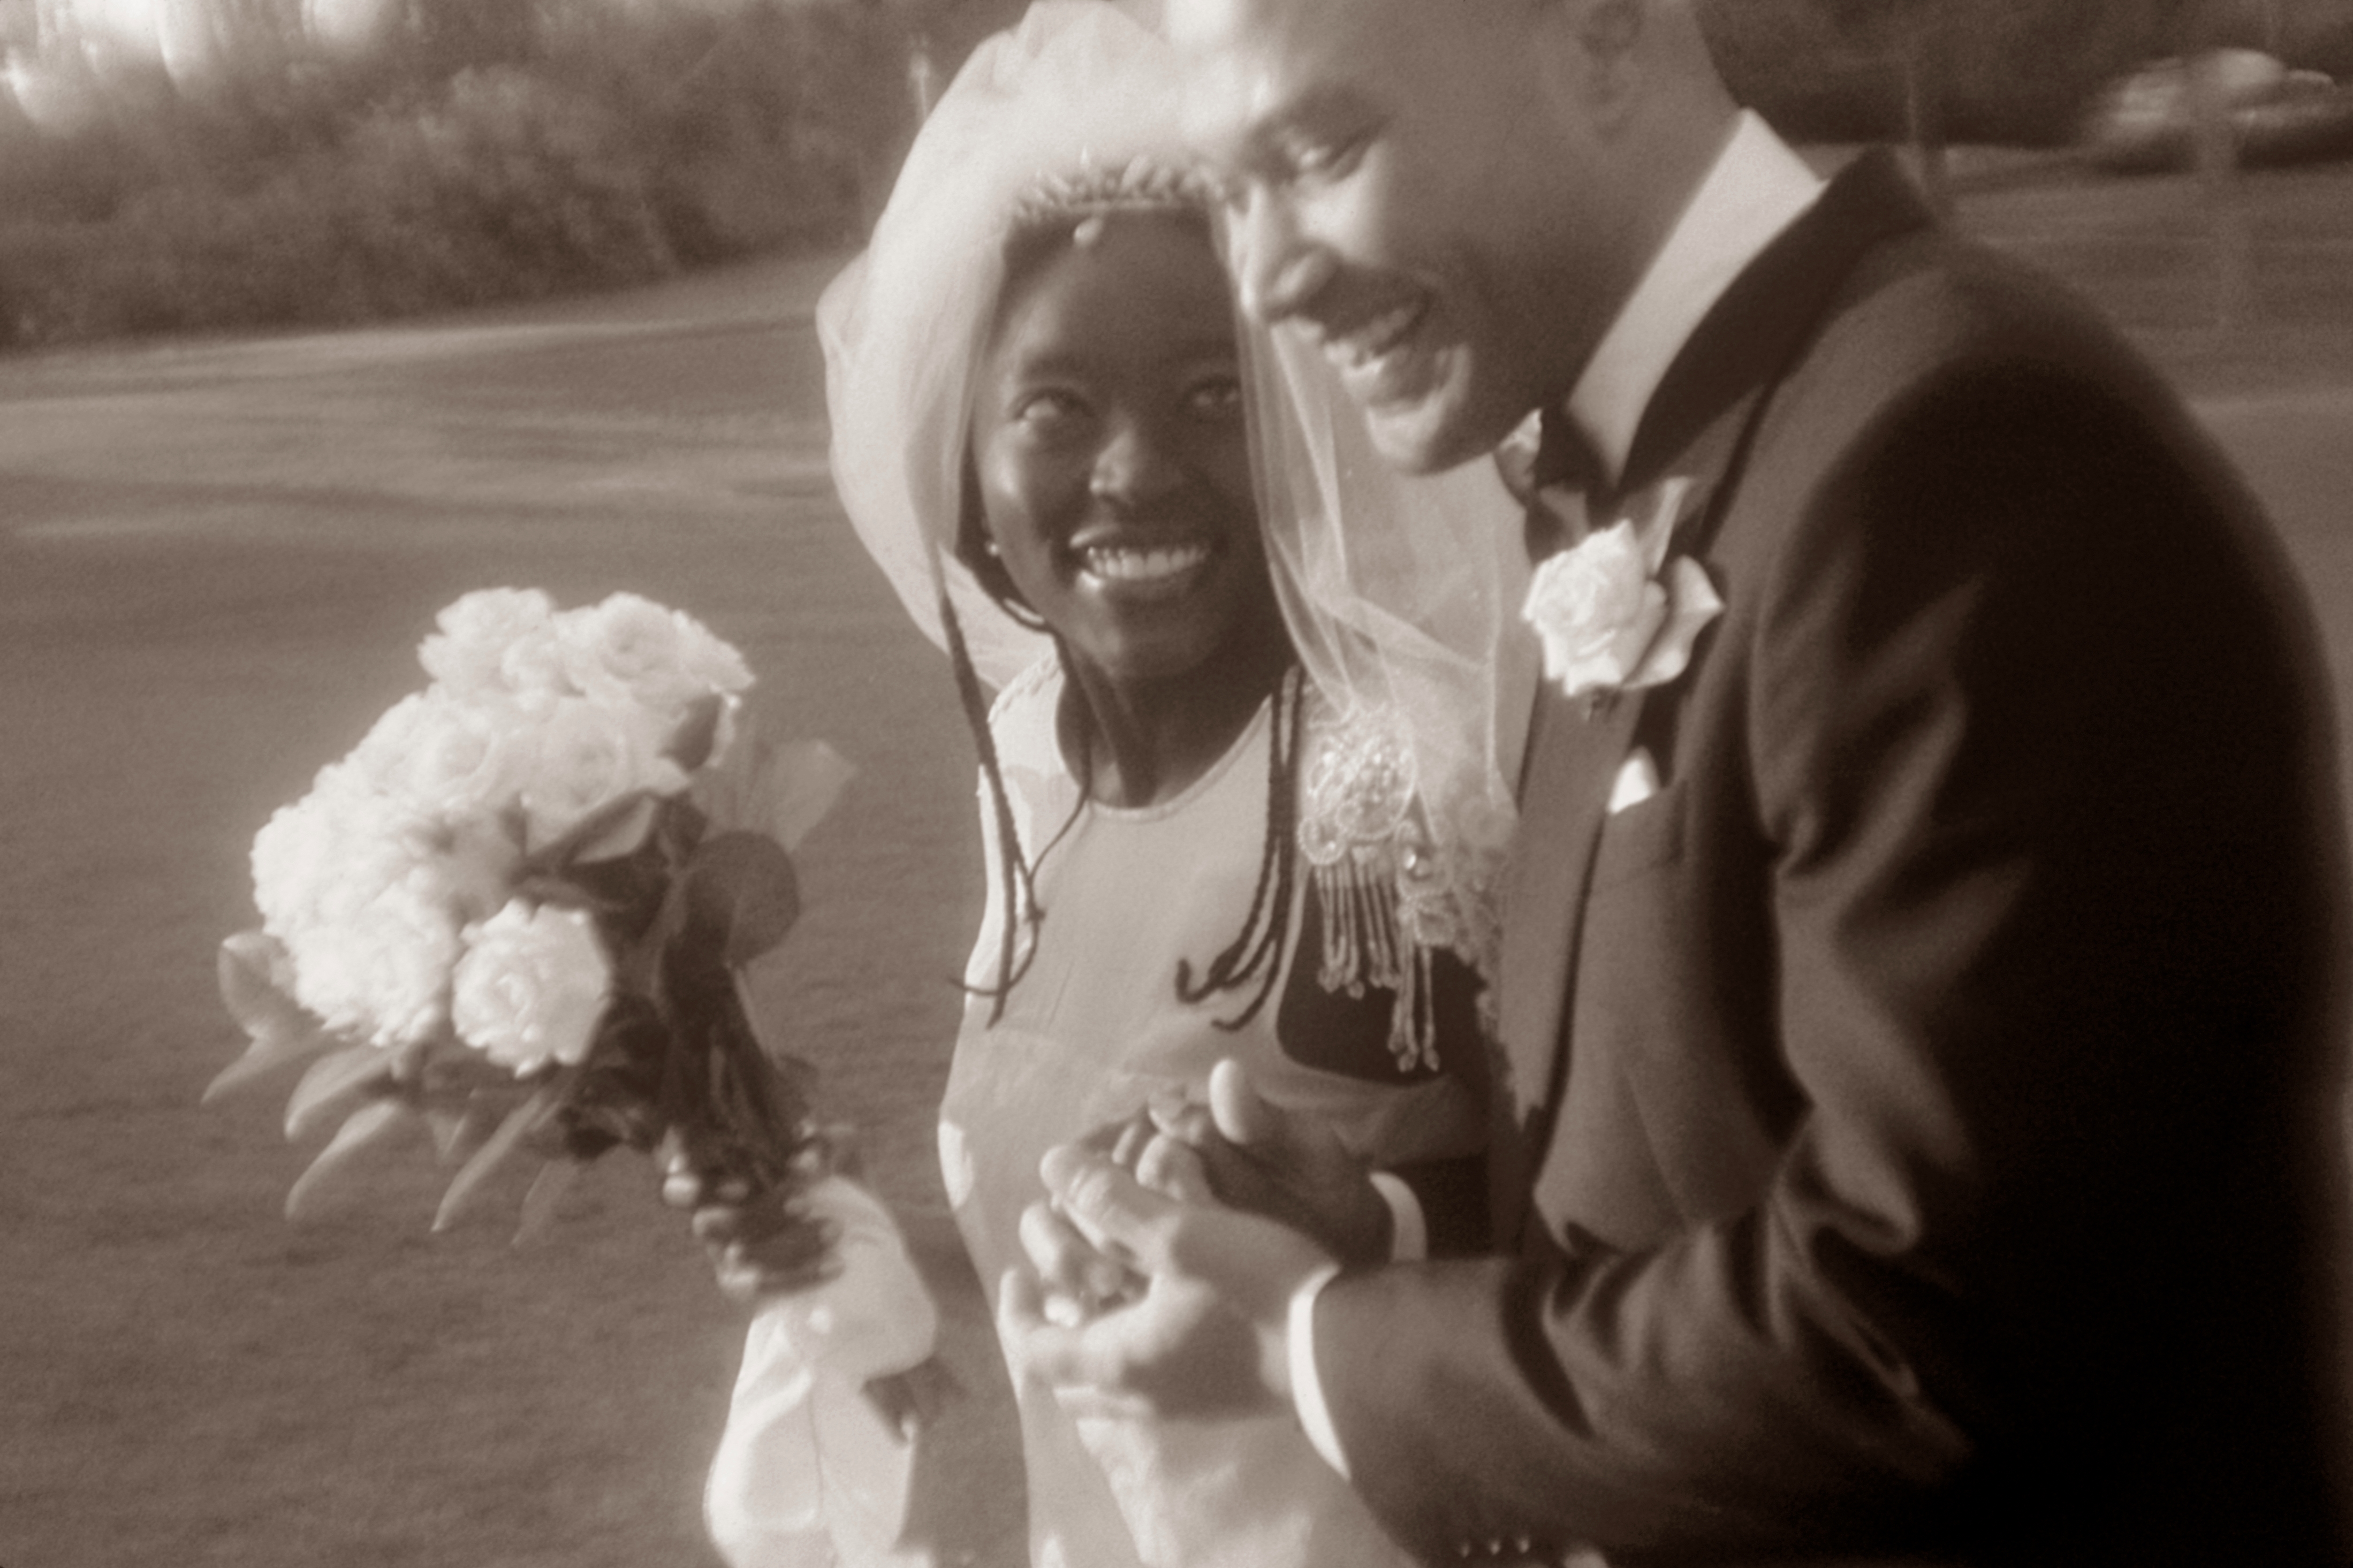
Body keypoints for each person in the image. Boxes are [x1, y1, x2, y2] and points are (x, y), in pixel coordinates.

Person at [1007, 1, 2353, 1564]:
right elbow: (1722, 1166)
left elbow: (1918, 1337)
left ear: (1600, 37)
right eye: (1227, 187)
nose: (1263, 276)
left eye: (1315, 153)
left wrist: (1306, 1342)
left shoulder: (1954, 459)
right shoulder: (1678, 466)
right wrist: (1377, 1240)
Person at [702, 5, 1525, 1565]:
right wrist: (826, 1236)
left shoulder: (1392, 776)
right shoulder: (1028, 761)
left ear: (1308, 425)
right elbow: (1046, 1241)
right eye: (1056, 407)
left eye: (1212, 395)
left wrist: (1358, 1231)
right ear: (966, 460)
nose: (1132, 468)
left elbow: (1580, 1255)